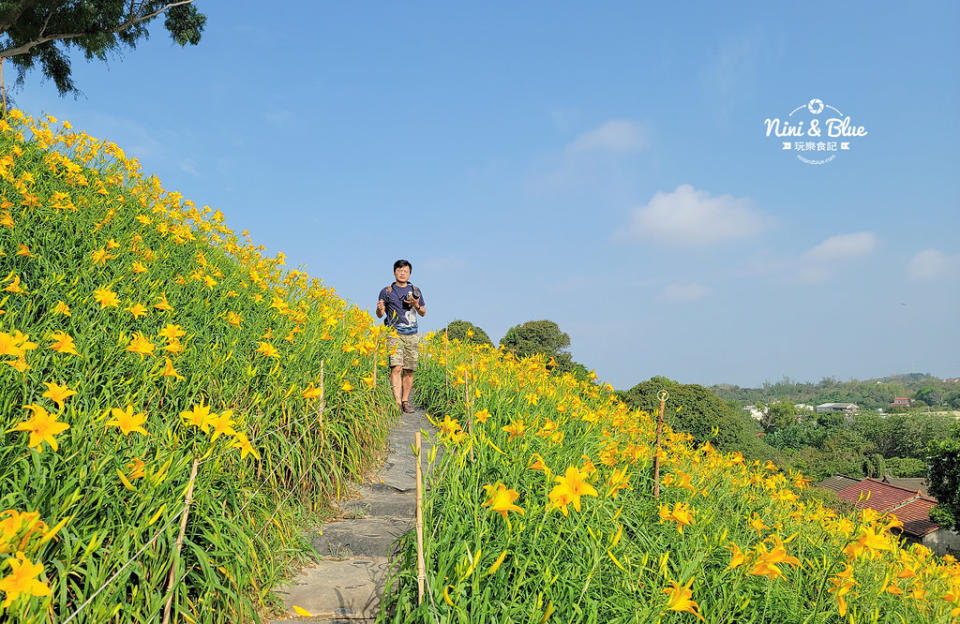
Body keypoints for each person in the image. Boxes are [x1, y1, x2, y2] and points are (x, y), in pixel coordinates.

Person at [376, 259, 426, 413]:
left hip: (412, 334)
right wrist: (380, 309)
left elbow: (423, 312)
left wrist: (415, 304)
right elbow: (379, 315)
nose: (402, 273)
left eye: (405, 271)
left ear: (409, 273)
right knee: (396, 367)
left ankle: (405, 401)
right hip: (394, 333)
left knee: (409, 370)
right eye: (399, 270)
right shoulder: (387, 291)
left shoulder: (415, 290)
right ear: (394, 272)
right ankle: (397, 402)